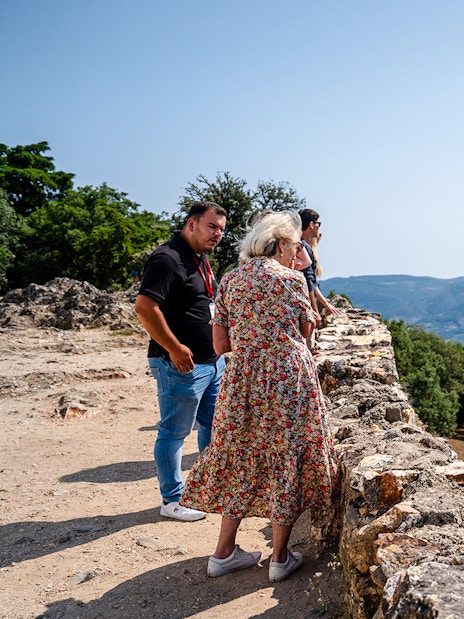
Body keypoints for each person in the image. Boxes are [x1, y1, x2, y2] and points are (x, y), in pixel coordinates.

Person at [181, 210, 337, 582]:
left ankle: (222, 554)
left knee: (240, 455)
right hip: (287, 378)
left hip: (243, 379)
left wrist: (253, 342)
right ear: (281, 243)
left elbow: (220, 344)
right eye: (295, 245)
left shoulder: (231, 280)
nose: (296, 251)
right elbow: (304, 331)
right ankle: (279, 559)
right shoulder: (293, 280)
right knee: (286, 455)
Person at [134, 201, 227, 522]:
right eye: (212, 226)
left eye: (221, 230)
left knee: (214, 426)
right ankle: (172, 500)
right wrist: (174, 348)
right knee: (174, 432)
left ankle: (207, 486)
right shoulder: (167, 259)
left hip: (212, 362)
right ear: (192, 223)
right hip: (180, 365)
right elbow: (145, 307)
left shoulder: (198, 257)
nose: (217, 234)